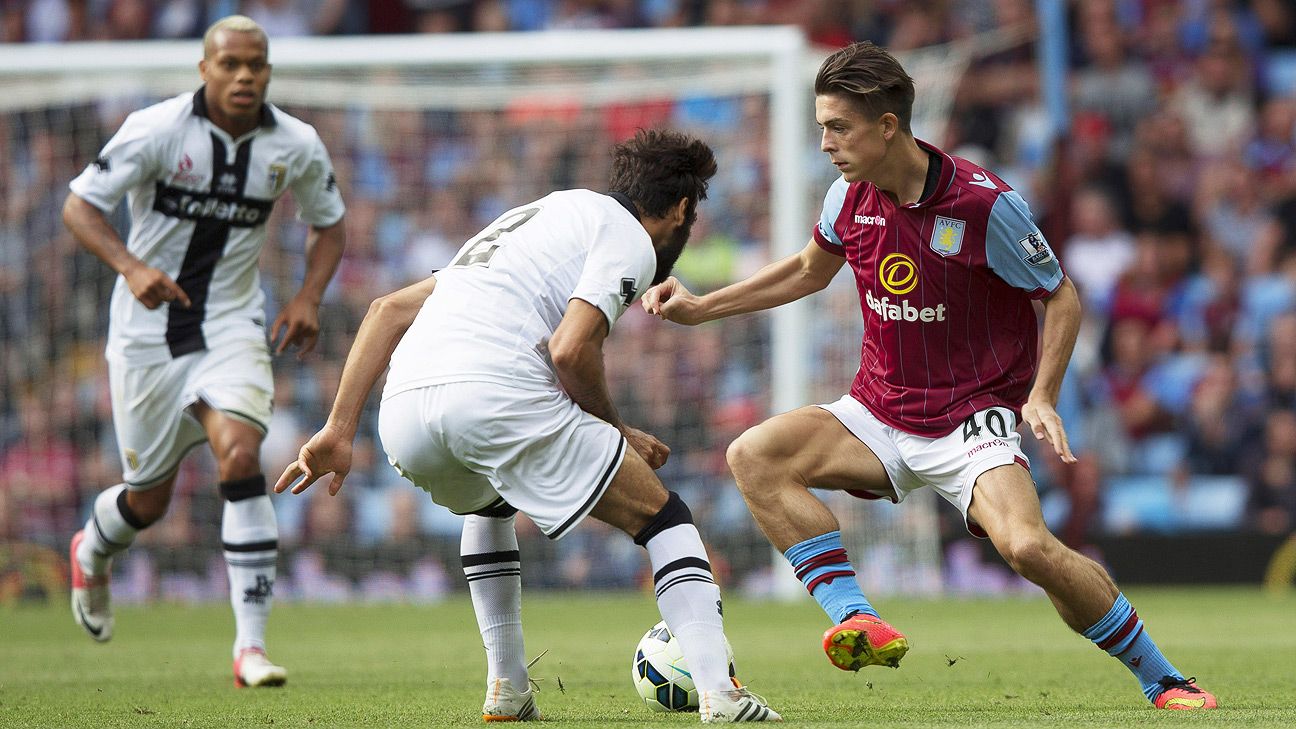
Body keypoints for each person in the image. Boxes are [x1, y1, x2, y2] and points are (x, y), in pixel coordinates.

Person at [642, 41, 1217, 711]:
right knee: (753, 455)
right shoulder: (847, 196)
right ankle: (855, 617)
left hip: (971, 421)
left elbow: (1061, 295)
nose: (825, 142)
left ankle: (1164, 676)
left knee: (1029, 546)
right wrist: (704, 307)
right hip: (879, 411)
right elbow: (807, 269)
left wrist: (1042, 394)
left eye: (839, 127)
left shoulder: (983, 205)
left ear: (888, 127)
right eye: (823, 125)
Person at [273, 129, 780, 723]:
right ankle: (722, 695)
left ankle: (507, 689)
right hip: (493, 392)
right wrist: (617, 431)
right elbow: (570, 350)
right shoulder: (629, 237)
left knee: (488, 502)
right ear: (682, 210)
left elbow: (387, 310)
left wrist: (337, 429)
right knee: (663, 517)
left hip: (403, 410)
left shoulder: (538, 215)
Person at [63, 15, 346, 688]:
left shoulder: (294, 144)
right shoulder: (156, 130)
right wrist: (130, 267)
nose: (245, 75)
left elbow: (329, 224)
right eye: (231, 64)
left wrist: (307, 296)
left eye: (257, 65)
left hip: (230, 323)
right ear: (205, 69)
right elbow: (80, 207)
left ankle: (249, 647)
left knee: (243, 453)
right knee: (148, 500)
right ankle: (92, 547)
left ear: (269, 71)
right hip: (146, 333)